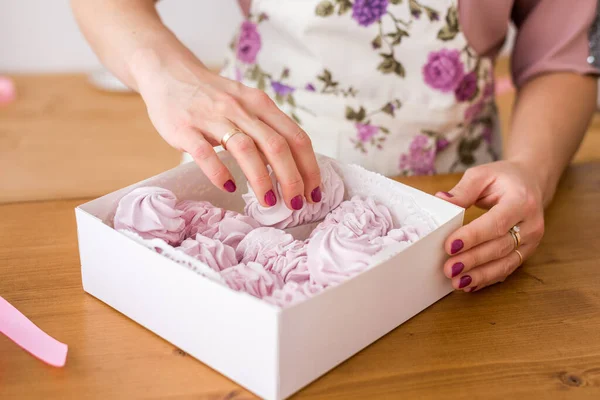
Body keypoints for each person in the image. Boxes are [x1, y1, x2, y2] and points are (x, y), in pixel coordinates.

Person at [71, 0, 599, 293]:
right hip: (247, 163)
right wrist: (169, 74)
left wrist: (534, 167)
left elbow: (562, 53)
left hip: (447, 202)